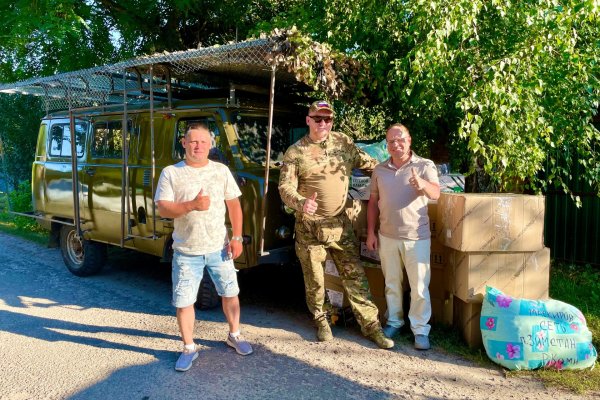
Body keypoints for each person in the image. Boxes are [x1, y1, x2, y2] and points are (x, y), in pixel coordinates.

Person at [278, 100, 393, 349]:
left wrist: (399, 169)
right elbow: (285, 187)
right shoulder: (295, 152)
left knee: (355, 277)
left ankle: (372, 327)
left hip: (340, 225)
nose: (323, 123)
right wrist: (300, 202)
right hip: (309, 227)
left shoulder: (343, 143)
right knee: (316, 281)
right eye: (318, 118)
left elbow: (370, 164)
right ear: (308, 120)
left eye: (327, 119)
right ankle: (322, 320)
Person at [155, 123, 253, 372]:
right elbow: (163, 208)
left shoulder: (221, 171)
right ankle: (189, 347)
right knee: (184, 301)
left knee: (230, 292)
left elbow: (234, 206)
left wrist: (238, 238)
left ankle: (235, 335)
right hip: (186, 251)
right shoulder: (171, 173)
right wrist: (191, 205)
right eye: (193, 141)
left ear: (211, 145)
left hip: (219, 247)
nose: (198, 146)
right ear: (184, 143)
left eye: (203, 142)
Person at [366, 123, 440, 350]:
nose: (396, 144)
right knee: (391, 283)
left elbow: (436, 193)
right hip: (387, 236)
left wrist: (423, 184)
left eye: (400, 139)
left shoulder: (425, 165)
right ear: (386, 145)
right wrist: (370, 232)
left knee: (419, 287)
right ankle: (395, 322)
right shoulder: (379, 170)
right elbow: (373, 203)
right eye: (391, 141)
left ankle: (420, 330)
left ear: (409, 141)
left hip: (417, 237)